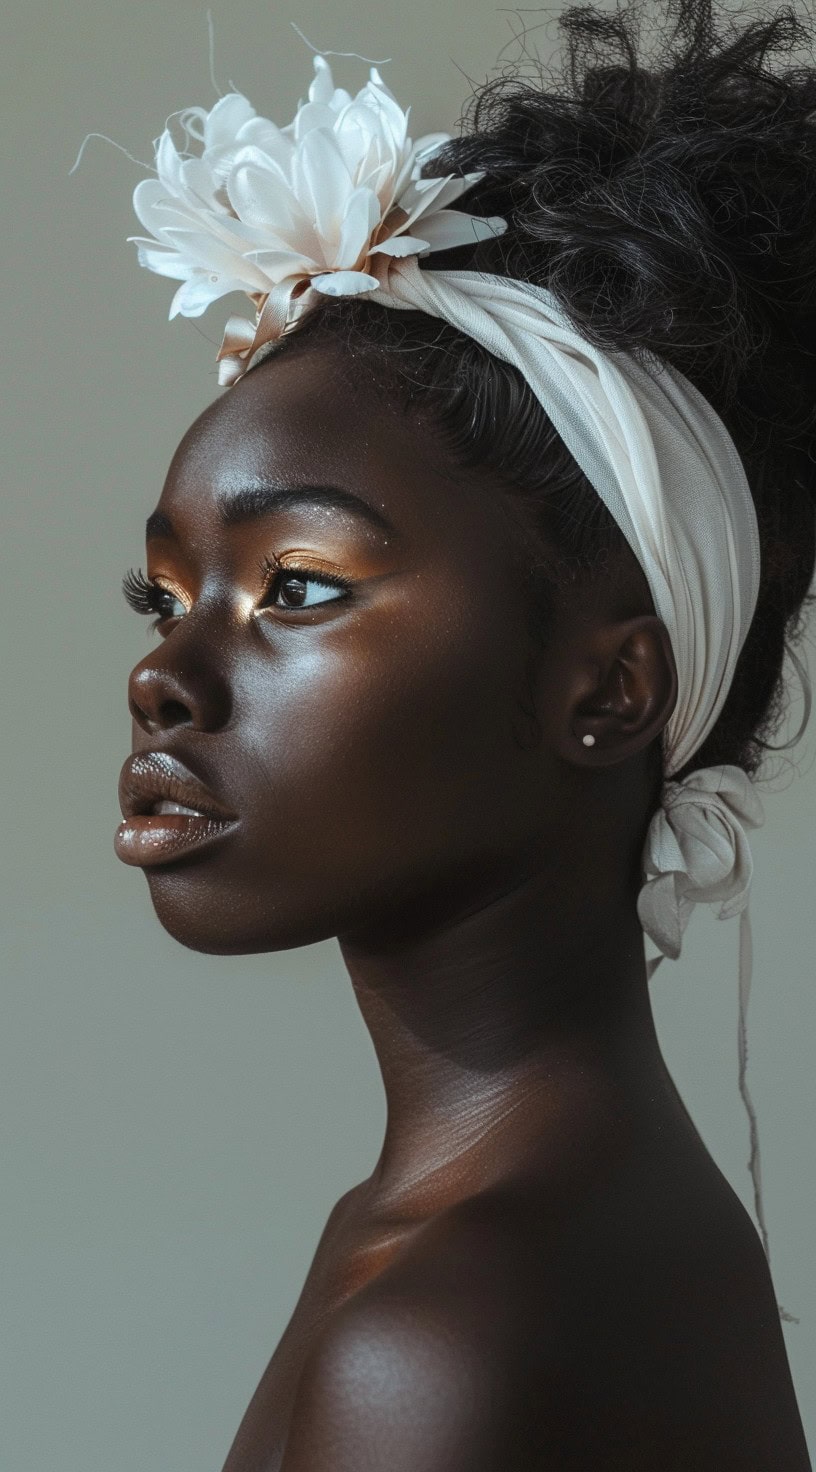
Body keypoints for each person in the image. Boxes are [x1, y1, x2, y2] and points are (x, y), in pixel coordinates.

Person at [108, 0, 814, 1464]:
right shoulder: (606, 1230)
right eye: (165, 593)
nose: (166, 674)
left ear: (607, 689)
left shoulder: (449, 1325)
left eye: (296, 584)